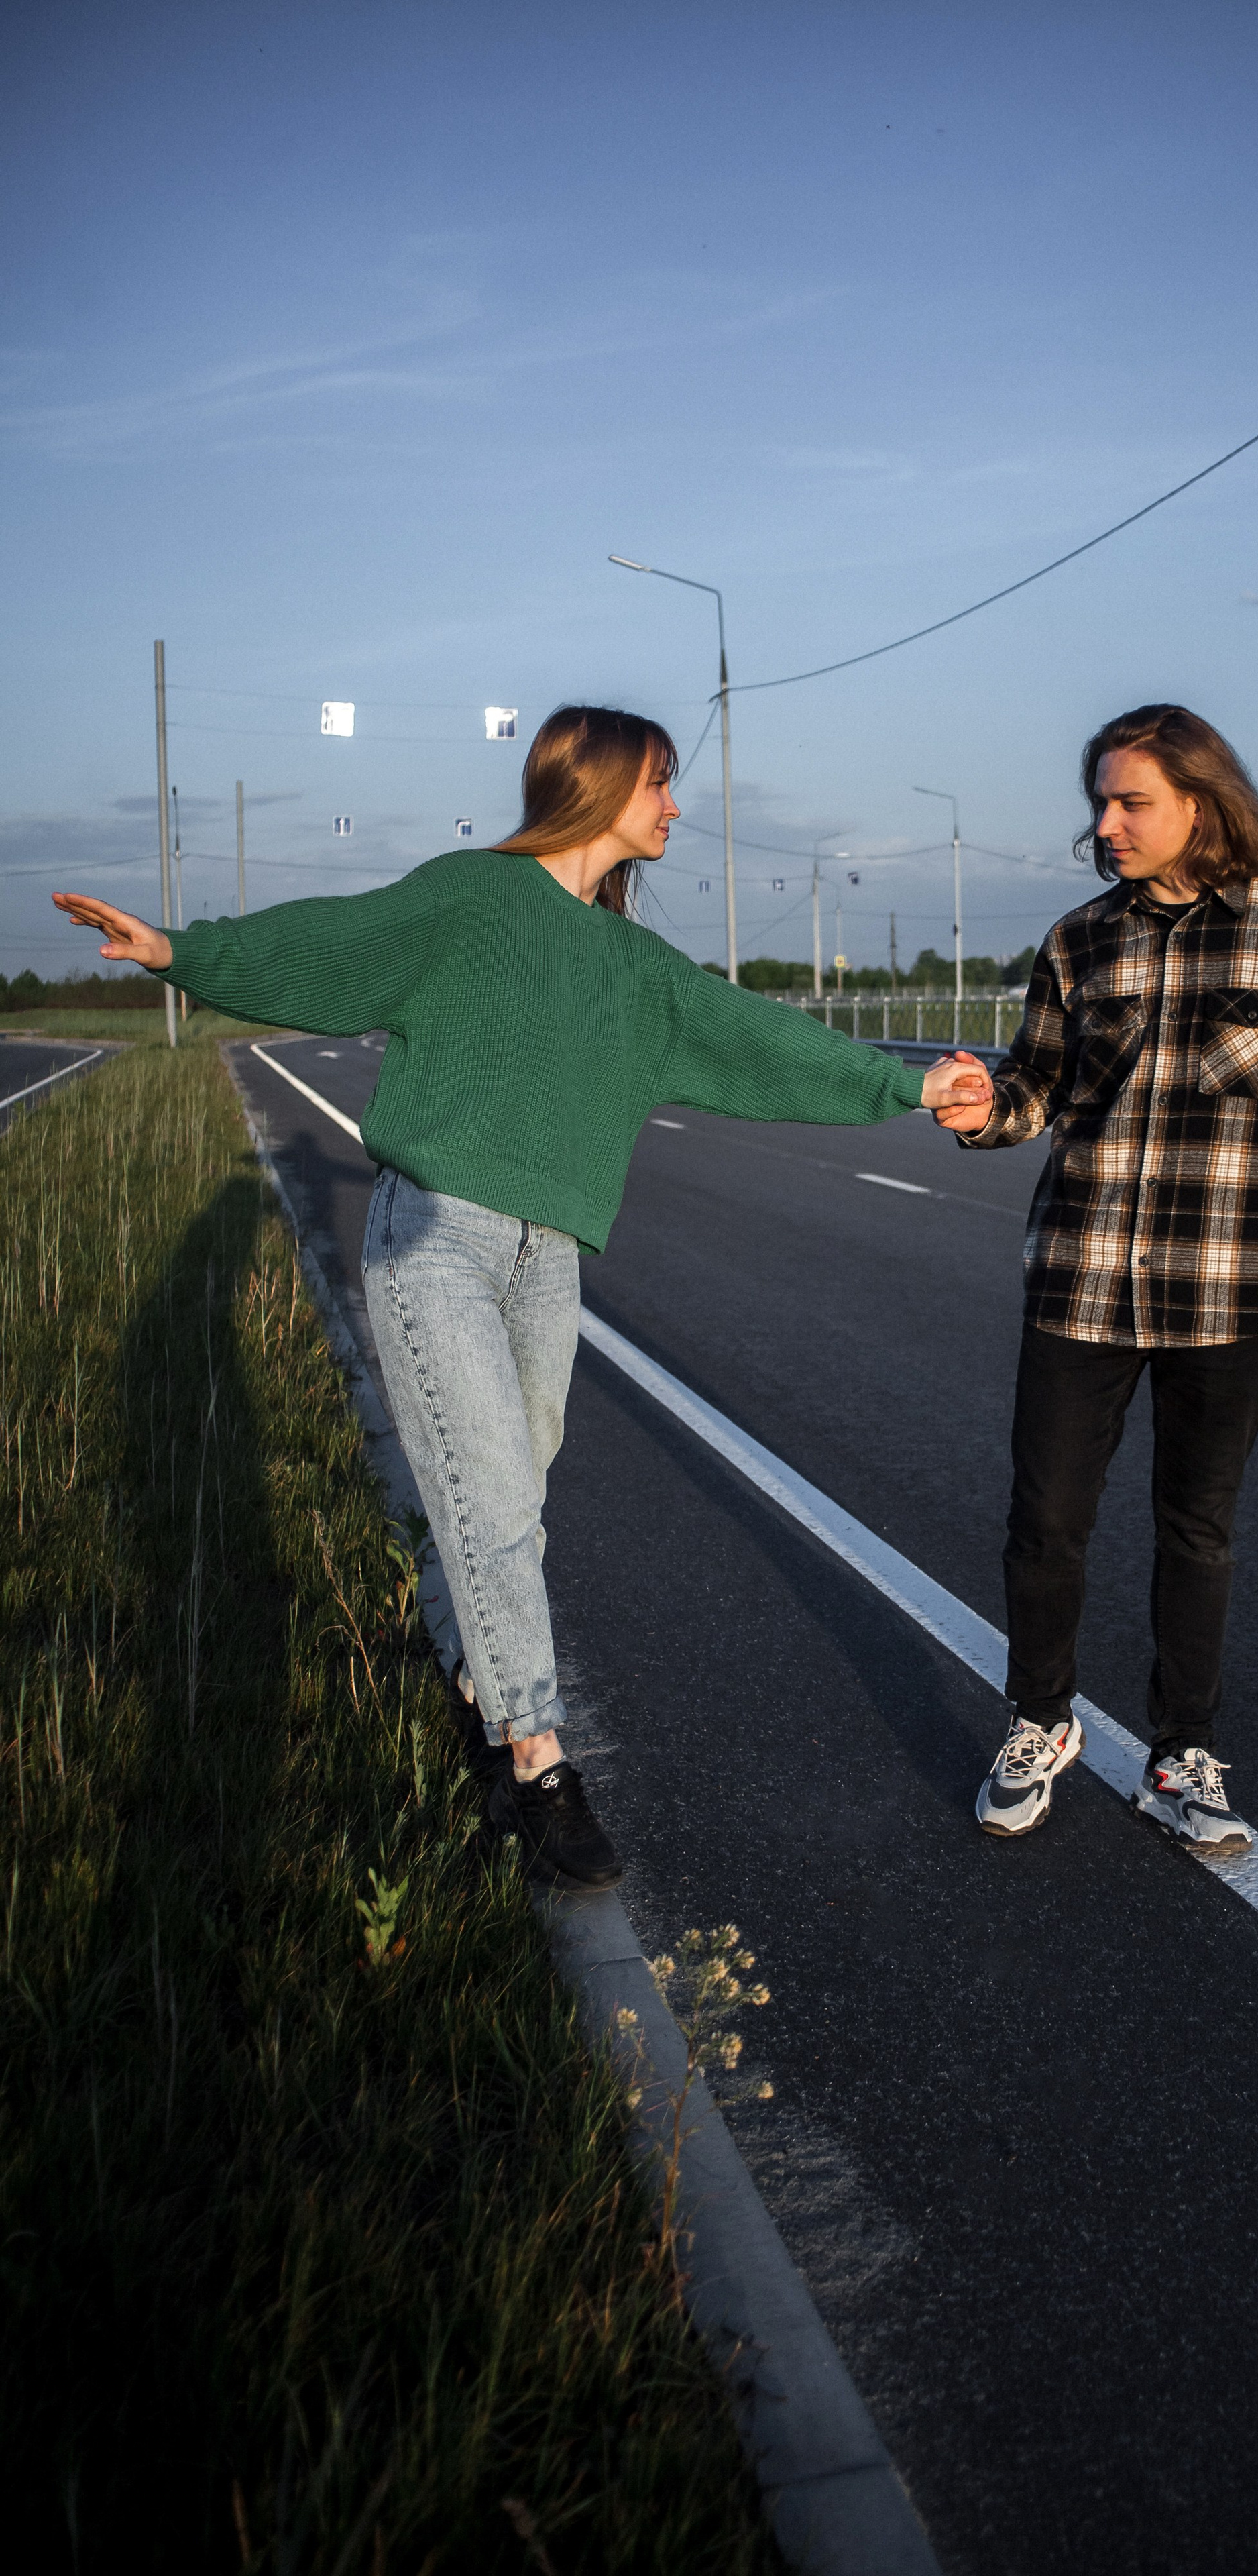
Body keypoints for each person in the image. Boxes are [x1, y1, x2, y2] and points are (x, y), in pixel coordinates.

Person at [54, 704, 990, 1892]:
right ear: (601, 785)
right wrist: (182, 950)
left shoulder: (634, 967)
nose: (677, 806)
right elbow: (333, 946)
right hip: (435, 1236)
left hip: (550, 1259)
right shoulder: (467, 898)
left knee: (512, 1498)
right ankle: (541, 1763)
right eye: (663, 782)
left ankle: (468, 1690)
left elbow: (761, 1040)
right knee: (492, 1500)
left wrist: (907, 1086)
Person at [933, 704, 1258, 1855]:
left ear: (1202, 805)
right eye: (1101, 805)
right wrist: (981, 1106)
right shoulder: (1079, 943)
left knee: (1198, 1528)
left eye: (1132, 803)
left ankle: (1181, 1755)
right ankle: (1039, 1722)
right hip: (1081, 1277)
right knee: (1046, 1520)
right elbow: (1038, 1092)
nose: (1107, 825)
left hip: (1228, 1286)